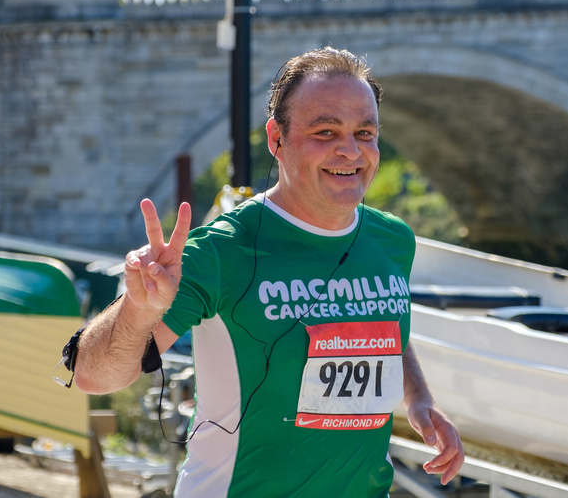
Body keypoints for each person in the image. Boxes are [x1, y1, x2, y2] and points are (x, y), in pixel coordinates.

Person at [73, 48, 464, 497]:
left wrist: (419, 399)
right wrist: (137, 312)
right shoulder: (222, 249)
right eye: (325, 131)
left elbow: (386, 321)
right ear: (277, 139)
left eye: (365, 132)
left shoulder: (393, 241)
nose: (350, 150)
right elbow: (93, 377)